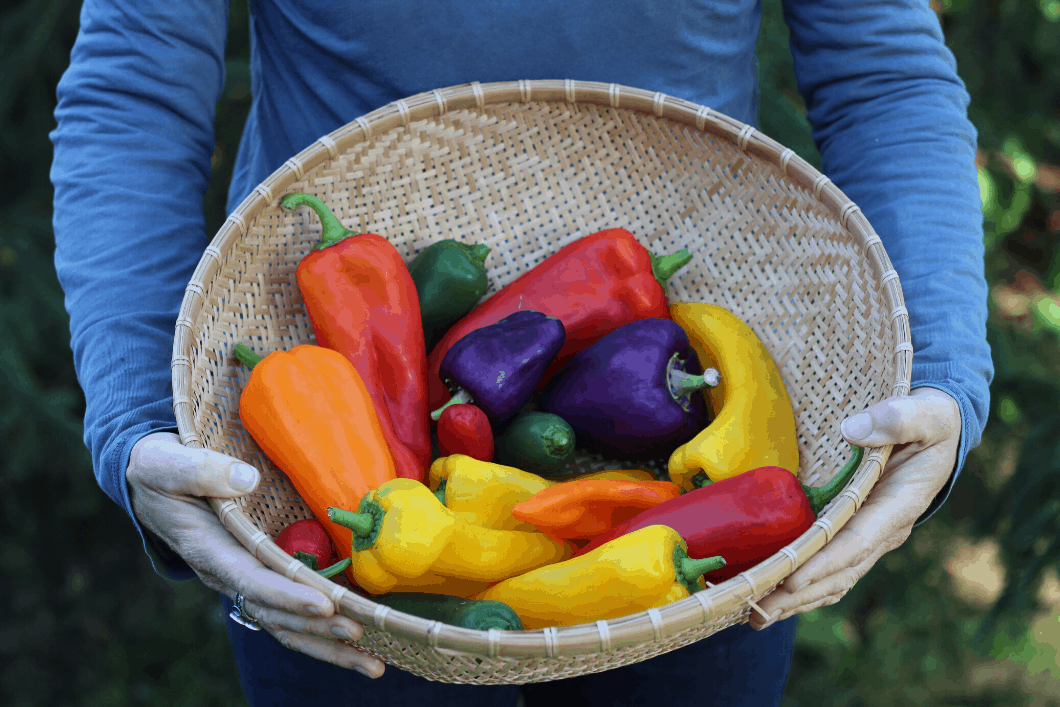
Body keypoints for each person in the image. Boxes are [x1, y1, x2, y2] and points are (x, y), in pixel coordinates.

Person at [49, 0, 991, 705]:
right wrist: (138, 418)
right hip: (317, 496)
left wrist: (942, 375)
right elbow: (132, 93)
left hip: (702, 513)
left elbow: (886, 80)